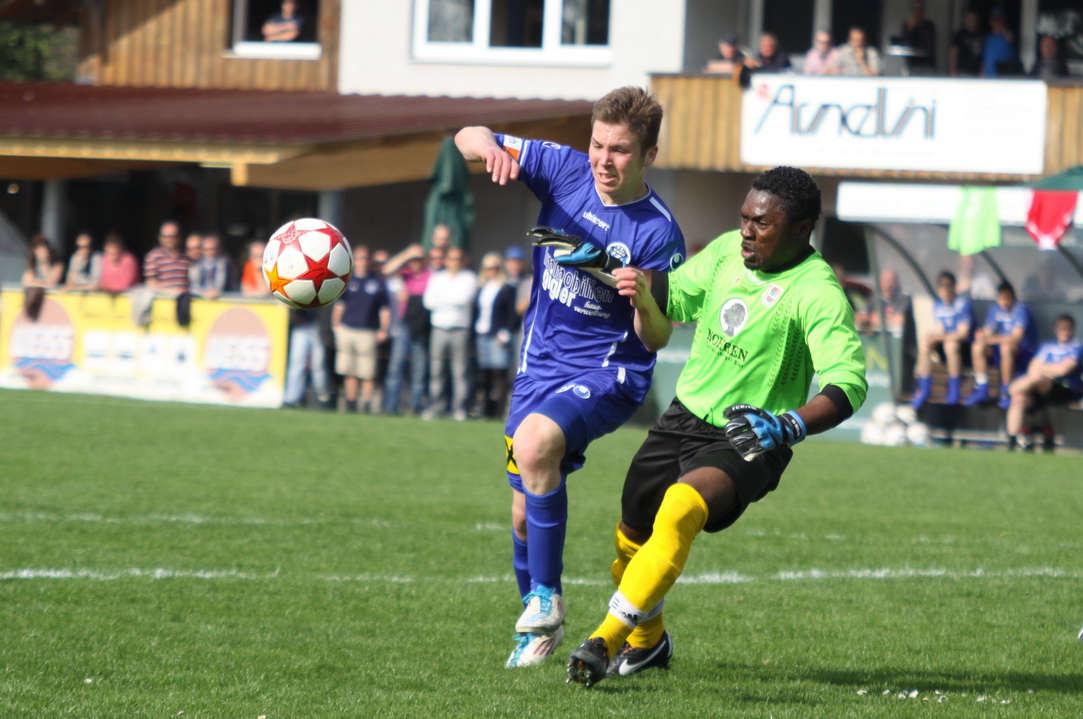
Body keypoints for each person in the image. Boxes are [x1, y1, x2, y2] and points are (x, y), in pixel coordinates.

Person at [564, 166, 867, 687]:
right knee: (630, 538)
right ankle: (649, 642)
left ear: (802, 229)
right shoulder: (727, 250)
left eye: (762, 223)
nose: (747, 231)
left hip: (751, 435)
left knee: (680, 508)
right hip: (683, 417)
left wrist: (789, 425)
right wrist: (609, 266)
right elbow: (672, 293)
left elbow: (848, 384)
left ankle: (603, 641)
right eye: (744, 218)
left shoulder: (818, 292)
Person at [454, 85, 686, 669]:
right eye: (598, 145)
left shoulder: (659, 233)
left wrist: (641, 297)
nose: (604, 160)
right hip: (539, 366)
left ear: (649, 155)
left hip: (610, 370)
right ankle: (543, 632)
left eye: (621, 150)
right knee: (520, 508)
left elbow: (658, 338)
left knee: (536, 445)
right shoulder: (562, 168)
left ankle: (545, 599)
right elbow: (466, 136)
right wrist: (490, 149)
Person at [1004, 315, 1082, 449]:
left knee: (1037, 378)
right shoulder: (1047, 346)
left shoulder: (1077, 346)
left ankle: (1008, 390)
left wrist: (1043, 368)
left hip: (1064, 389)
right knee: (1019, 397)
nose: (1064, 331)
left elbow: (1064, 370)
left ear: (1073, 329)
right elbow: (1032, 368)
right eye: (1061, 328)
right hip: (1040, 389)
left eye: (1068, 328)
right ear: (1056, 329)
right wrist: (1051, 369)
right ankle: (1012, 440)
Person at [331, 246, 390, 413]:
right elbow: (340, 305)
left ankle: (366, 404)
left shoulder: (377, 282)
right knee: (349, 370)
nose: (362, 262)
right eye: (359, 258)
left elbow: (384, 309)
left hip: (367, 331)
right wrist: (335, 324)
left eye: (365, 258)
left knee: (367, 372)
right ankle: (351, 403)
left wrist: (384, 329)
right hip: (347, 329)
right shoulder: (347, 280)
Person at [421, 245, 476, 421]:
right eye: (452, 258)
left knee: (460, 372)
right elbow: (428, 302)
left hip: (460, 330)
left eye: (458, 259)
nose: (455, 262)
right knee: (436, 371)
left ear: (463, 261)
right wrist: (450, 301)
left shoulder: (469, 277)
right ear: (446, 260)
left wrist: (442, 301)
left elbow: (463, 299)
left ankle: (459, 408)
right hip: (439, 329)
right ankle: (436, 406)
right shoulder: (437, 278)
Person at [964, 282, 1038, 409]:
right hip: (1001, 348)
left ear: (1013, 297)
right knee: (977, 346)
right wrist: (981, 335)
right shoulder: (995, 309)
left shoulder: (1021, 310)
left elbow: (1016, 337)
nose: (1005, 302)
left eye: (1008, 298)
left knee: (1006, 348)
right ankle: (982, 387)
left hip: (1023, 351)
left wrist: (991, 339)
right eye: (1002, 298)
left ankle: (1005, 390)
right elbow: (988, 331)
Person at [382, 244, 433, 416]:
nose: (414, 263)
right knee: (396, 367)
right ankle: (391, 406)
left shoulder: (430, 276)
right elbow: (387, 269)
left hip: (421, 327)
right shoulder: (405, 275)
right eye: (412, 260)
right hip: (404, 325)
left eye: (418, 259)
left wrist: (410, 297)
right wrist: (406, 254)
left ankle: (415, 406)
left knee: (418, 370)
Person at [911, 271, 973, 409]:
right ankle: (924, 388)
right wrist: (933, 338)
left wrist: (939, 337)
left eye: (948, 285)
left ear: (954, 287)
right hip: (945, 344)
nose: (946, 289)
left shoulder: (962, 304)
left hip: (963, 349)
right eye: (942, 286)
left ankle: (954, 388)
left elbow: (963, 334)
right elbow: (940, 329)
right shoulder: (938, 305)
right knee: (926, 344)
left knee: (951, 345)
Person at [473, 252, 518, 419]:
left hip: (497, 335)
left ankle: (499, 410)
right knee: (484, 374)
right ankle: (485, 409)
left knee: (499, 373)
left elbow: (512, 313)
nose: (491, 271)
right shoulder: (482, 287)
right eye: (488, 268)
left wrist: (505, 332)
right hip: (482, 333)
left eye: (495, 268)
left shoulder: (507, 288)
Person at [282, 306, 331, 409]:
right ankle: (291, 398)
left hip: (317, 327)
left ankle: (321, 397)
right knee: (296, 364)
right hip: (301, 326)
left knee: (318, 366)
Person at [143, 221, 190, 295]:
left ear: (179, 237)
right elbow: (151, 284)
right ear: (160, 238)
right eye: (165, 236)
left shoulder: (186, 256)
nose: (169, 239)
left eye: (173, 236)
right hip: (164, 299)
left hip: (185, 298)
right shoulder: (153, 257)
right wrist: (171, 292)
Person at [190, 234, 235, 298]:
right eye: (207, 249)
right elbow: (194, 285)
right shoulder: (197, 264)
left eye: (213, 249)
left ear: (219, 249)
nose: (211, 252)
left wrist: (214, 292)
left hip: (220, 298)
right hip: (201, 298)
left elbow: (220, 284)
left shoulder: (223, 262)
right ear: (202, 250)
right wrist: (203, 293)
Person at [899, 0, 936, 74]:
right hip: (912, 64)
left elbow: (928, 45)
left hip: (927, 64)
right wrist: (910, 29)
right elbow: (904, 45)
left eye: (919, 9)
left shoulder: (929, 26)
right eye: (915, 9)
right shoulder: (907, 26)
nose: (917, 12)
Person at [869, 268, 910, 334]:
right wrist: (871, 318)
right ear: (880, 283)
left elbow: (900, 321)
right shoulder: (875, 300)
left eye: (892, 281)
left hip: (897, 338)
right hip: (878, 337)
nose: (889, 285)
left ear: (897, 283)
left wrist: (878, 320)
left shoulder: (904, 299)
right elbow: (860, 317)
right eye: (886, 281)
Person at [982, 10, 1017, 77]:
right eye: (994, 20)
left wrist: (1002, 29)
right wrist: (982, 75)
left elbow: (1011, 38)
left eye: (999, 20)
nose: (996, 22)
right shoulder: (988, 38)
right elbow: (985, 59)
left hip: (1004, 78)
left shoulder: (1007, 36)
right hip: (989, 77)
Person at [949, 9, 984, 77]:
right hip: (962, 73)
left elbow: (984, 56)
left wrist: (982, 74)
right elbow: (953, 56)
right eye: (970, 19)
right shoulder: (959, 35)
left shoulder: (981, 36)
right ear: (965, 20)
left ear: (978, 21)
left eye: (974, 19)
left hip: (976, 74)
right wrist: (953, 75)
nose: (972, 22)